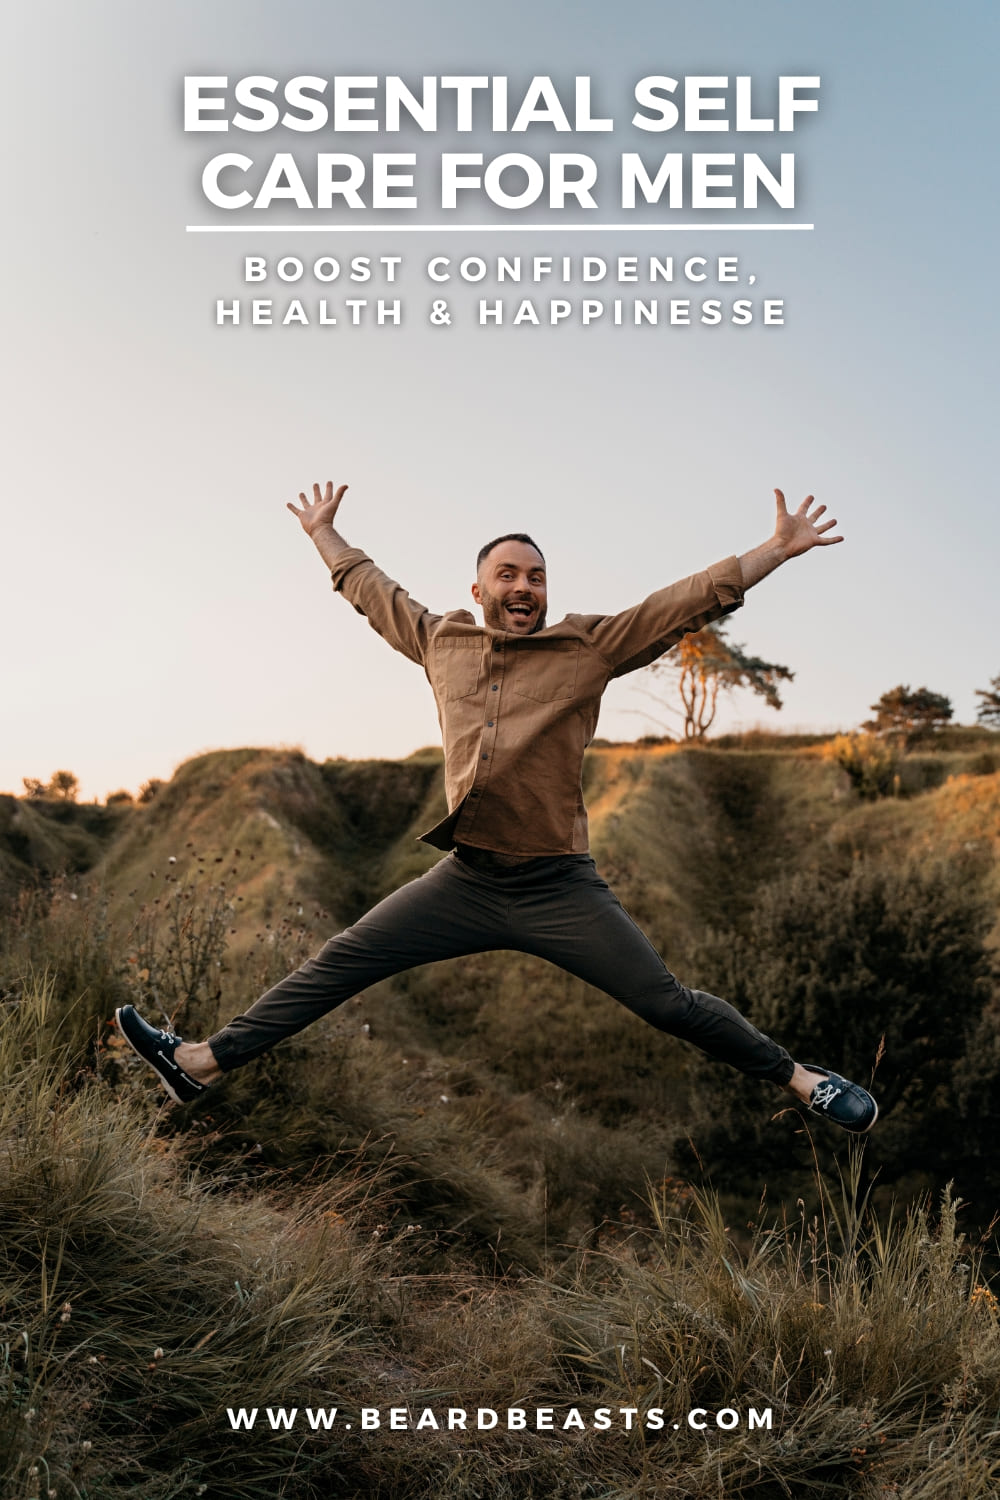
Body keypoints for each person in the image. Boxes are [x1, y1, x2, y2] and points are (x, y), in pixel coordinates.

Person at [116, 480, 877, 1134]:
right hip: (468, 881)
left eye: (536, 577)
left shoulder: (588, 649)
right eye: (507, 574)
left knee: (667, 1004)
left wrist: (775, 550)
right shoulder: (440, 642)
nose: (524, 587)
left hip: (558, 886)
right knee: (340, 961)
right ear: (479, 591)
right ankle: (199, 1063)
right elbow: (371, 591)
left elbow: (681, 603)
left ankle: (801, 1079)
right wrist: (323, 532)